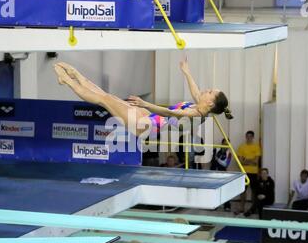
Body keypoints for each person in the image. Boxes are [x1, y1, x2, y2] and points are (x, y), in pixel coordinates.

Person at [54, 60, 233, 137]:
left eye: (210, 91)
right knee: (109, 97)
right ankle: (76, 75)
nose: (206, 90)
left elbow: (167, 111)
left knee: (105, 100)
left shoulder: (196, 115)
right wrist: (186, 72)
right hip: (148, 118)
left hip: (143, 125)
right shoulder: (199, 105)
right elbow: (195, 91)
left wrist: (145, 103)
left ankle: (69, 81)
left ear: (210, 103)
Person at [237, 131, 261, 213]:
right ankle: (241, 207)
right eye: (247, 136)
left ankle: (253, 208)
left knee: (254, 191)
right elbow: (240, 161)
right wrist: (251, 161)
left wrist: (245, 160)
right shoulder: (241, 147)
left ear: (253, 137)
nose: (249, 138)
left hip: (253, 172)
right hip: (244, 172)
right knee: (242, 190)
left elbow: (256, 161)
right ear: (245, 137)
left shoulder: (256, 147)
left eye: (250, 136)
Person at [211, 139, 233, 210]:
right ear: (221, 143)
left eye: (227, 144)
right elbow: (212, 159)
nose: (225, 146)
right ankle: (214, 205)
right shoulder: (216, 149)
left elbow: (225, 164)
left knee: (224, 189)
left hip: (223, 173)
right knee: (214, 189)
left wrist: (217, 159)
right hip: (213, 172)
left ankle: (227, 205)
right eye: (224, 144)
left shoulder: (229, 153)